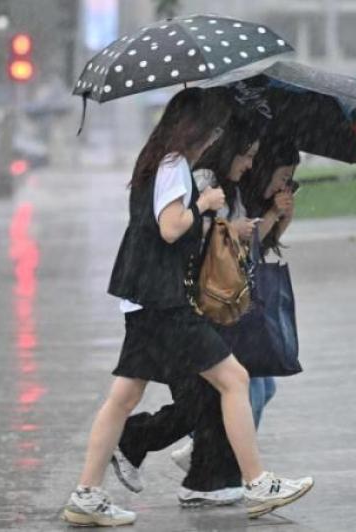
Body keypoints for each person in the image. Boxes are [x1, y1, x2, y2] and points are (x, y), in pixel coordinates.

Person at [62, 88, 313, 527]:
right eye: (214, 128)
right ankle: (258, 482)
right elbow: (170, 227)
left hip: (141, 297)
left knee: (123, 397)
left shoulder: (153, 161)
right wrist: (205, 205)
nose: (217, 137)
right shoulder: (174, 165)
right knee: (234, 379)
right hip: (163, 299)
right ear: (196, 127)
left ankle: (86, 493)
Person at [114, 132, 307, 508]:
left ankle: (213, 470)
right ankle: (217, 469)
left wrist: (276, 215)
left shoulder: (224, 188)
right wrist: (217, 219)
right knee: (210, 393)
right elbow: (179, 235)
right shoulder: (191, 177)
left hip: (197, 306)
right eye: (247, 153)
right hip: (179, 306)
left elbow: (248, 248)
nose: (250, 162)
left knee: (223, 391)